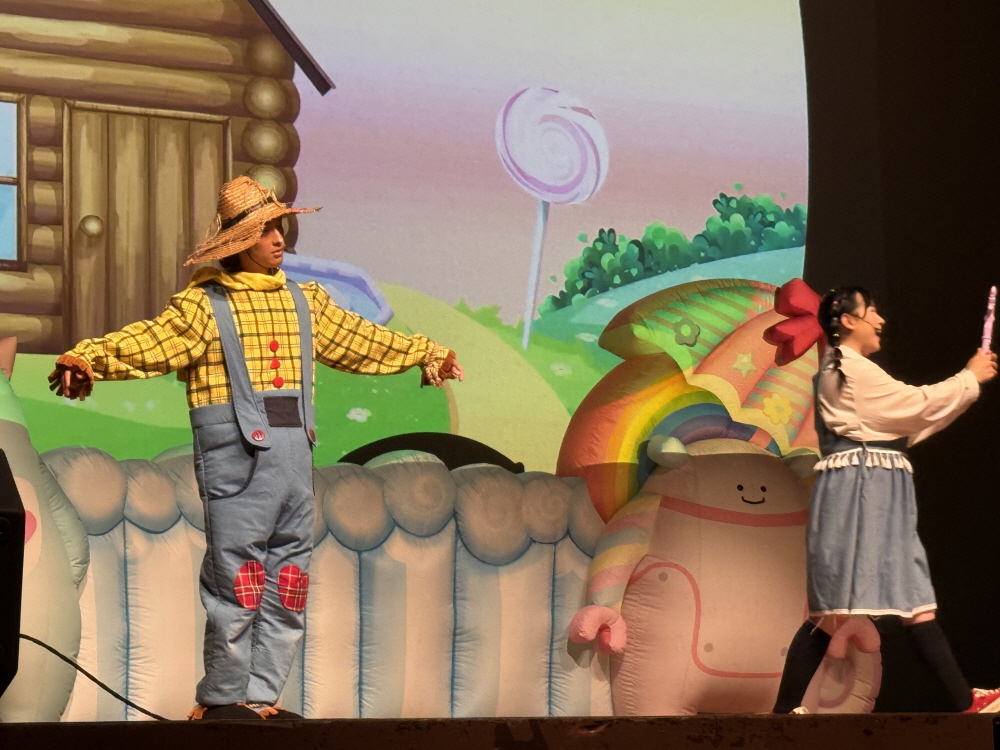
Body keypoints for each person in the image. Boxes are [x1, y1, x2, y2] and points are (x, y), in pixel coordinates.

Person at [49, 176, 463, 720]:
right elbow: (152, 340)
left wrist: (425, 352)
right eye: (265, 230)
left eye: (278, 227)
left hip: (293, 461)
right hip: (237, 460)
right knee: (237, 582)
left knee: (289, 581)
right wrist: (89, 358)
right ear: (239, 241)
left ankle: (262, 696)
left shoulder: (304, 301)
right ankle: (224, 698)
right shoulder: (205, 305)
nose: (278, 239)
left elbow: (362, 340)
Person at [772, 285, 999, 714]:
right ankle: (783, 712)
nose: (880, 320)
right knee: (836, 609)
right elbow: (913, 405)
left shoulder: (853, 368)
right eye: (872, 311)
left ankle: (962, 700)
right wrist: (968, 378)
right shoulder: (846, 368)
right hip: (859, 490)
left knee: (913, 599)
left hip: (878, 486)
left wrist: (966, 387)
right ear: (848, 320)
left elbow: (910, 421)